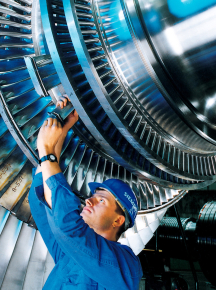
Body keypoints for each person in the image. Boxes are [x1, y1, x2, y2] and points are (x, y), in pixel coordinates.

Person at [29, 95, 143, 290]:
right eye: (93, 197)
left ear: (118, 221)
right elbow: (41, 204)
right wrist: (60, 134)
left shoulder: (125, 266)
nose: (89, 201)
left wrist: (47, 151)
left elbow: (68, 227)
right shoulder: (69, 254)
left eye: (101, 200)